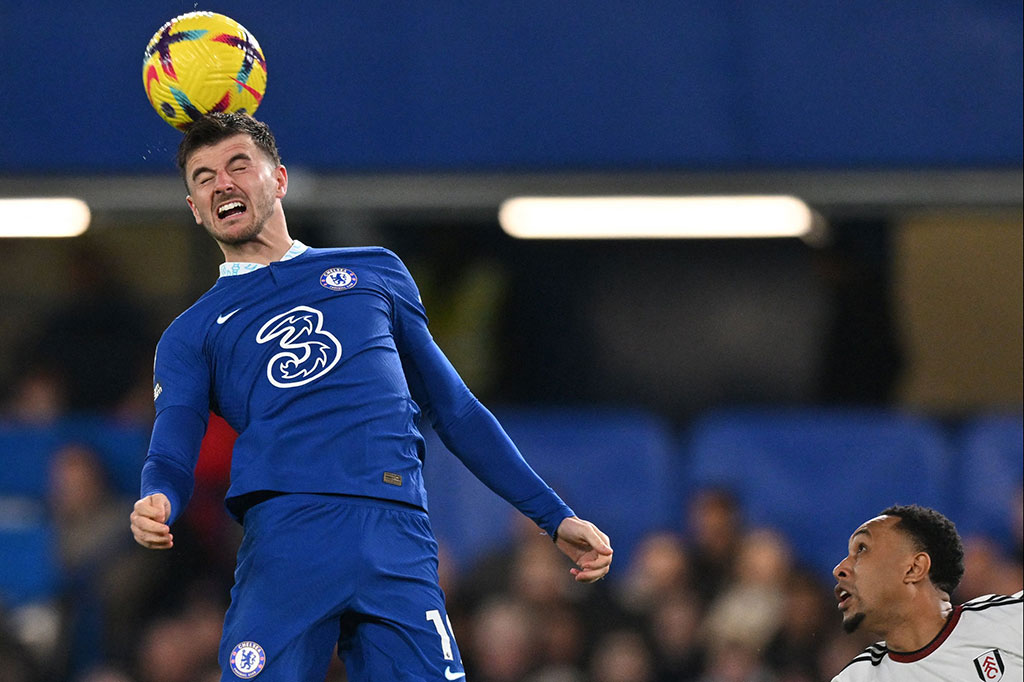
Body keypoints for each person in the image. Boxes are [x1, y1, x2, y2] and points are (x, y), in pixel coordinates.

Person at [128, 112, 612, 682]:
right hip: (289, 540)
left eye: (239, 166)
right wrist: (157, 496)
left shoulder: (376, 271)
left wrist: (552, 516)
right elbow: (173, 446)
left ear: (279, 179)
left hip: (398, 532)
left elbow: (454, 408)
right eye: (204, 178)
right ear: (194, 207)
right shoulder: (191, 333)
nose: (222, 184)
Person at [831, 504, 1022, 681]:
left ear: (914, 568)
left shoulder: (1010, 622)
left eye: (862, 549)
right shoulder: (856, 678)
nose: (839, 569)